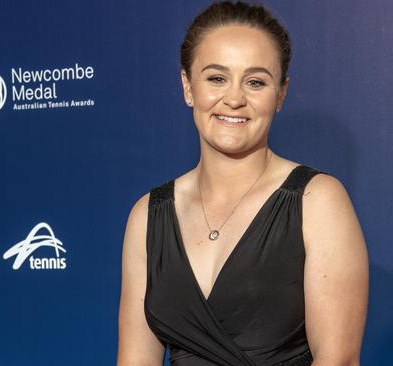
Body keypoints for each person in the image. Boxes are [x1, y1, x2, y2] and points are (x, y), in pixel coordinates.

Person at [117, 1, 368, 365]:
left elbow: (338, 360)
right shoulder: (148, 215)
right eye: (216, 78)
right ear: (188, 86)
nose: (234, 99)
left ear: (280, 94)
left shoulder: (316, 201)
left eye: (255, 82)